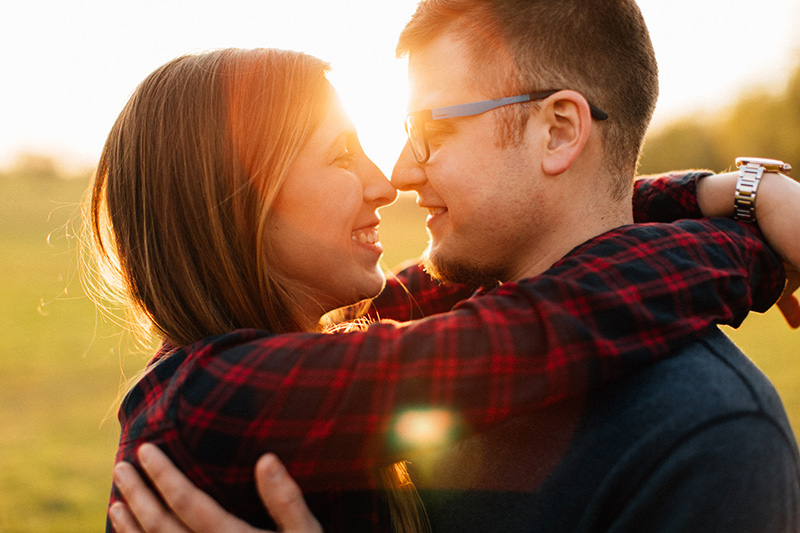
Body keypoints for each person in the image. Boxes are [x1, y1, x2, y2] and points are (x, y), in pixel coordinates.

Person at [88, 17, 798, 533]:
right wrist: (754, 245)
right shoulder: (209, 399)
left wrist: (733, 196)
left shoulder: (714, 434)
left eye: (429, 131)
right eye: (342, 155)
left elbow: (560, 261)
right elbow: (545, 326)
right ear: (237, 200)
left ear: (560, 131)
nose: (387, 179)